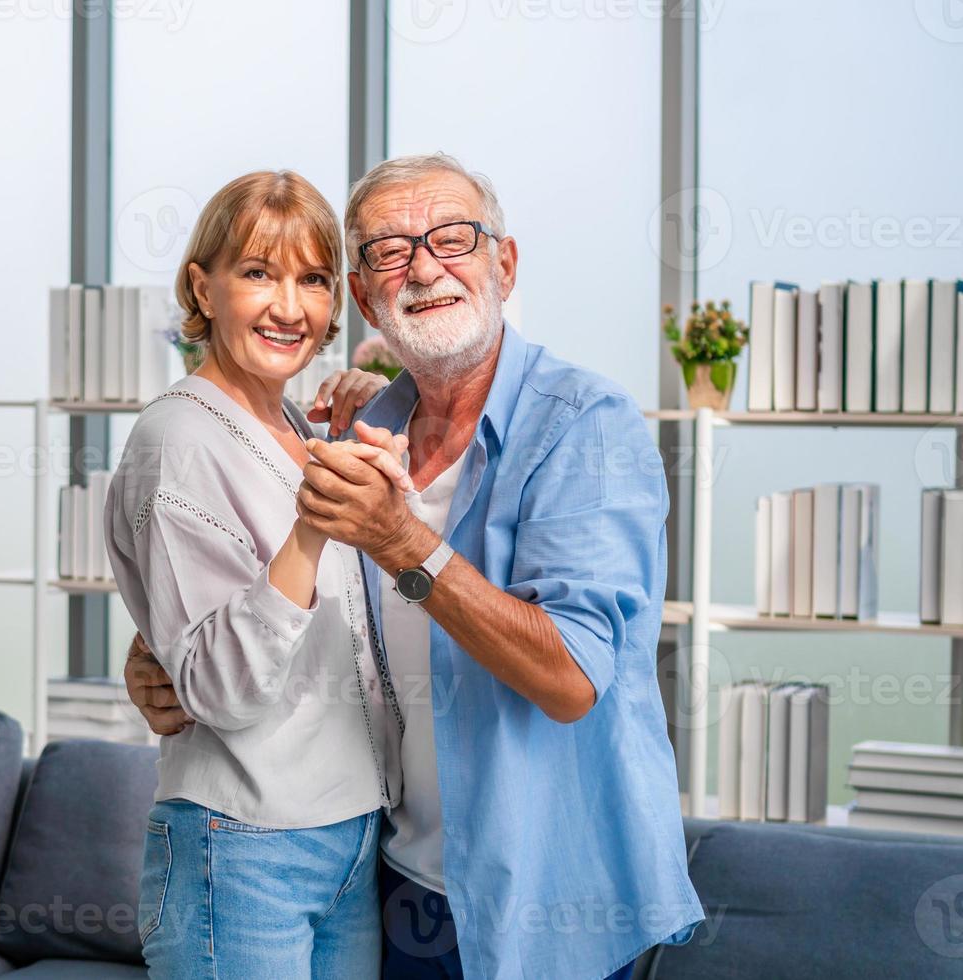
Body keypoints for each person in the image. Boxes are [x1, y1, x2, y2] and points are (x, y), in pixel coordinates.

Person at [124, 154, 704, 980]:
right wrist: (160, 656)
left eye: (453, 238)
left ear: (503, 263)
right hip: (394, 886)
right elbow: (268, 600)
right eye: (390, 252)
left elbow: (573, 677)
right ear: (364, 296)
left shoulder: (587, 426)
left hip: (545, 906)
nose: (425, 267)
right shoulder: (354, 436)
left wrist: (405, 544)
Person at [104, 169, 406, 979]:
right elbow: (217, 687)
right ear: (202, 287)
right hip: (240, 844)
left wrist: (381, 407)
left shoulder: (293, 428)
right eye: (258, 273)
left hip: (349, 834)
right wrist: (310, 531)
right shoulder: (176, 440)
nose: (288, 306)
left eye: (311, 279)